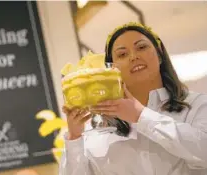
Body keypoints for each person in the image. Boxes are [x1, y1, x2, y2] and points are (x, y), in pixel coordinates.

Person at [59, 22, 207, 175]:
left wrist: (141, 116)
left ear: (159, 54)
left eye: (141, 47)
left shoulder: (197, 106)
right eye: (122, 54)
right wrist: (74, 137)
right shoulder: (97, 129)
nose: (134, 57)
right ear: (112, 69)